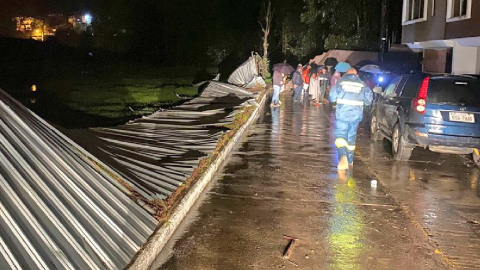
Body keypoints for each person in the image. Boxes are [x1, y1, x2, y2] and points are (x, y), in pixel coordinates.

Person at [329, 68, 373, 170]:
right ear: (356, 75)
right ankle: (350, 160)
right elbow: (368, 101)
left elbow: (331, 97)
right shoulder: (363, 84)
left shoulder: (341, 83)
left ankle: (342, 155)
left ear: (346, 74)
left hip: (342, 115)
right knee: (351, 137)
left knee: (340, 136)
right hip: (356, 116)